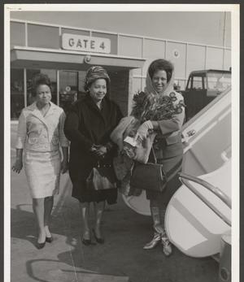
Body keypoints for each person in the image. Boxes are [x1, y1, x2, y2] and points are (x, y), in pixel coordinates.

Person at [64, 66, 122, 245]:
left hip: (105, 157)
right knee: (84, 197)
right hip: (83, 159)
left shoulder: (113, 107)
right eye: (97, 86)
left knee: (100, 196)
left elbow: (121, 130)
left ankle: (97, 227)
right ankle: (86, 229)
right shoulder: (78, 107)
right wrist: (91, 146)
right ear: (88, 87)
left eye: (104, 87)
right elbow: (70, 130)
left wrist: (108, 147)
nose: (101, 91)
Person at [133, 59, 185, 256]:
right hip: (151, 153)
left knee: (169, 194)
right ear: (150, 78)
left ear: (169, 79)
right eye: (156, 78)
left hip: (171, 154)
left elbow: (175, 124)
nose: (159, 82)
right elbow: (136, 123)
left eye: (163, 78)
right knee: (154, 195)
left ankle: (171, 236)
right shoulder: (146, 99)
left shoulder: (176, 98)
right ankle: (158, 233)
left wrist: (151, 124)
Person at [12, 73, 69, 249]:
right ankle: (40, 231)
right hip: (34, 159)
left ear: (51, 92)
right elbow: (21, 137)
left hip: (53, 159)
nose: (45, 95)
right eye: (40, 93)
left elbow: (63, 137)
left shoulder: (59, 112)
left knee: (50, 195)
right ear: (35, 95)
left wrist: (65, 159)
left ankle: (46, 225)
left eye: (47, 92)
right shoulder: (27, 112)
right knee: (38, 197)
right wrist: (18, 159)